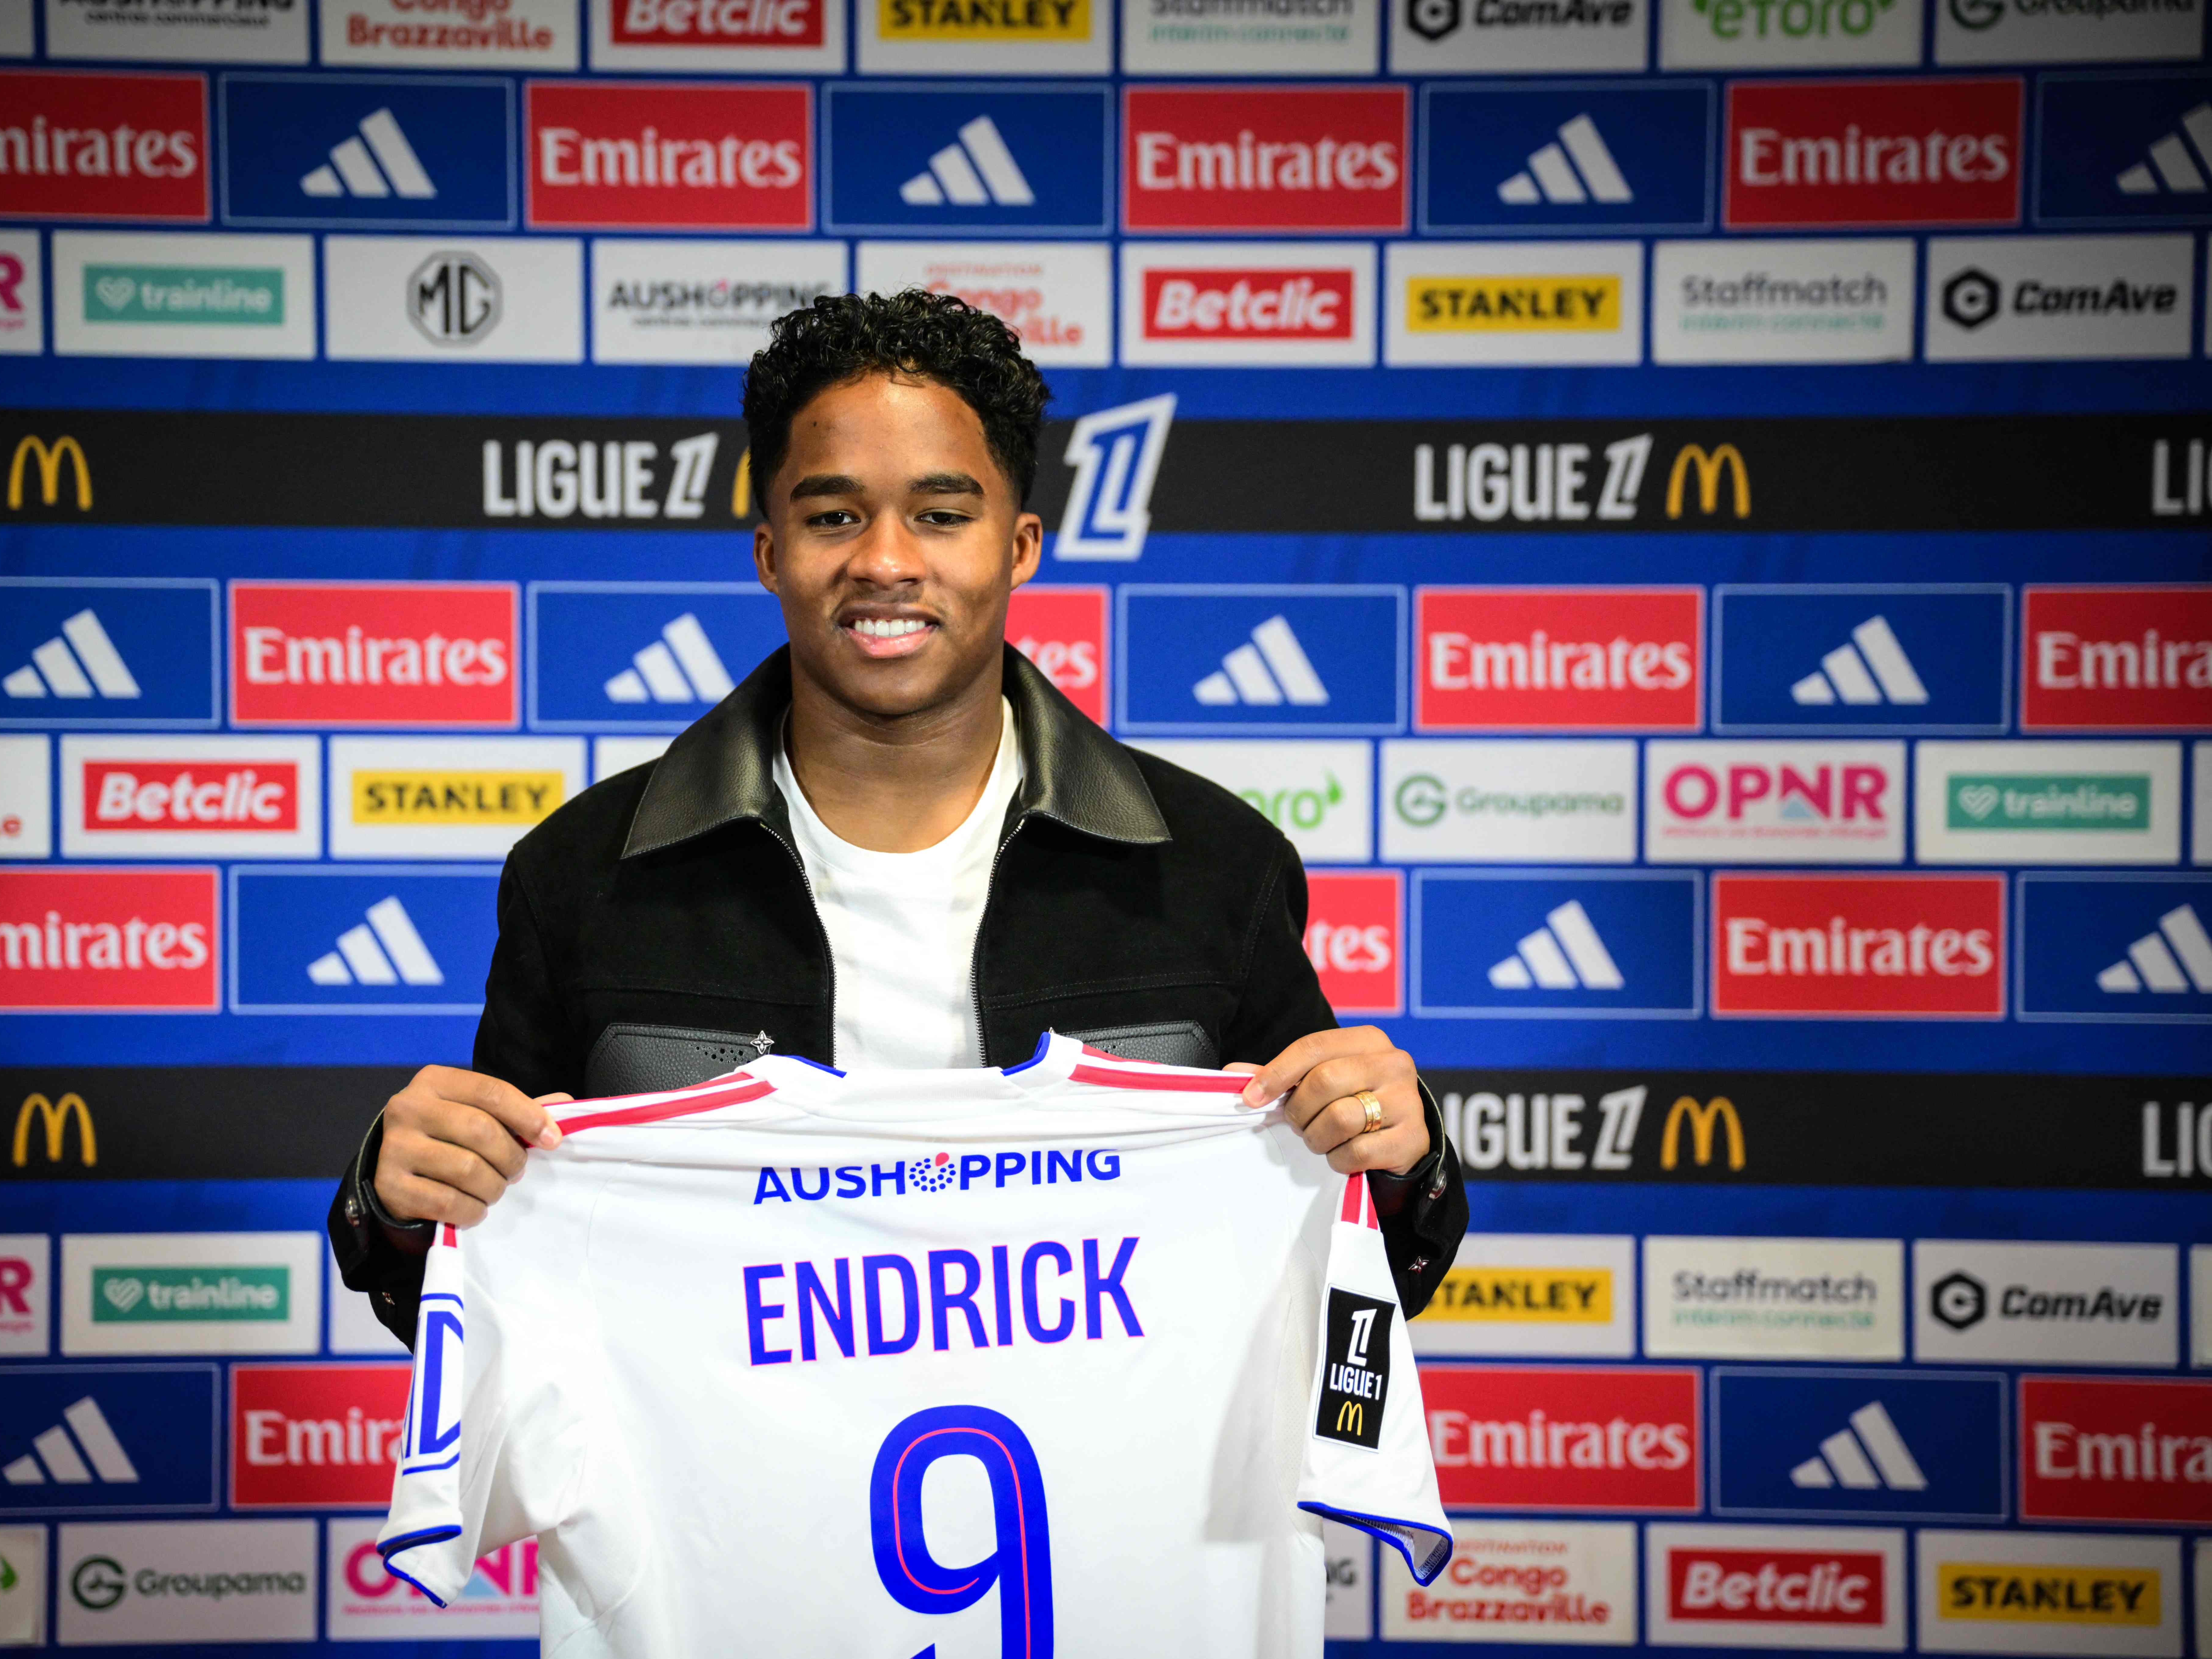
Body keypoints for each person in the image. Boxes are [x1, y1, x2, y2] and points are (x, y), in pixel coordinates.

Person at [329, 291, 1465, 1347]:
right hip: (723, 1552)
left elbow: (1350, 1273)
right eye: (833, 516)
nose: (884, 561)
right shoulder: (584, 876)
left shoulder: (1212, 865)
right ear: (770, 553)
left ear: (1017, 547)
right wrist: (399, 1203)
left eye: (940, 513)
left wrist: (1402, 1168)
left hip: (1110, 1547)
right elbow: (480, 1302)